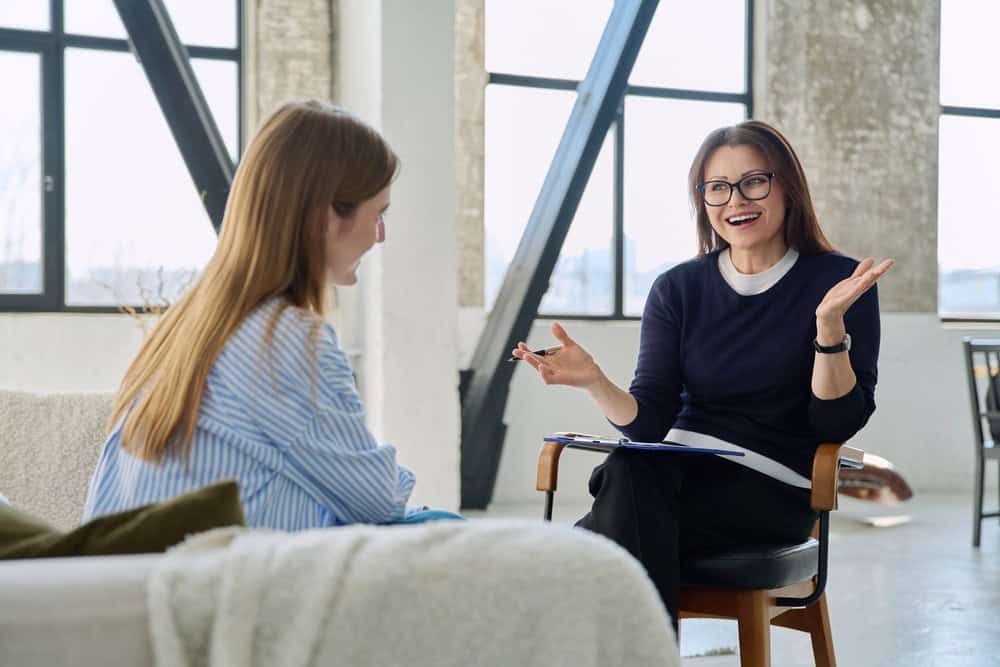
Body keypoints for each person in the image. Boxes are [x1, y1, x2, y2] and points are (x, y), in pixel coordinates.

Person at [512, 120, 892, 628]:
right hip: (670, 477)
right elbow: (648, 425)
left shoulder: (839, 283)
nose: (737, 200)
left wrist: (828, 328)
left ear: (787, 187)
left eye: (754, 181)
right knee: (629, 479)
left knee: (593, 531)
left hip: (770, 491)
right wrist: (595, 382)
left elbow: (834, 424)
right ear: (703, 200)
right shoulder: (678, 288)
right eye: (718, 188)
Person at [83, 100, 459, 529]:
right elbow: (377, 499)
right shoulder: (285, 339)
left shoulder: (188, 324)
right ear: (327, 215)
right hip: (210, 584)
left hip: (129, 578)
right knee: (445, 529)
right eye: (379, 214)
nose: (380, 235)